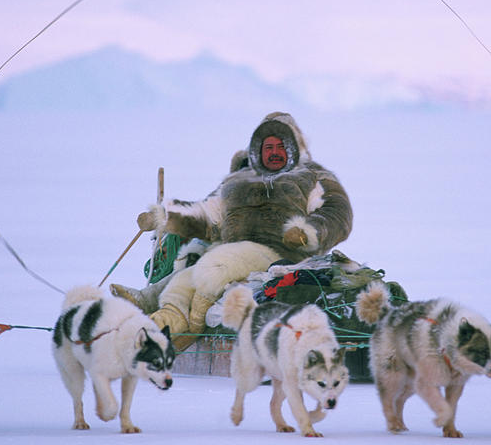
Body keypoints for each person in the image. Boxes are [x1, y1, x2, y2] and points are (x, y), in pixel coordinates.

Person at [135, 111, 353, 348]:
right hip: (233, 252)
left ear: (294, 146)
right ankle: (165, 322)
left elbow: (336, 212)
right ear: (257, 149)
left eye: (281, 145)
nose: (274, 152)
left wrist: (307, 231)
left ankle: (194, 327)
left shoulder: (311, 176)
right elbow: (206, 213)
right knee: (184, 281)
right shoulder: (238, 180)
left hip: (280, 254)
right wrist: (164, 218)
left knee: (214, 266)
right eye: (268, 147)